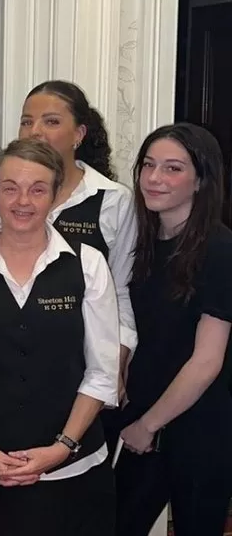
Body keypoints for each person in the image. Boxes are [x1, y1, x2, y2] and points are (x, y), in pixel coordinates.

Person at [0, 138, 118, 536]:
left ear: (54, 195)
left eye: (37, 189)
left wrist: (60, 448)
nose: (23, 201)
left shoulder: (88, 264)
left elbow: (102, 372)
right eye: (10, 188)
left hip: (71, 470)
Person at [0, 80, 138, 454]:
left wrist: (118, 360)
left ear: (79, 133)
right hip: (5, 363)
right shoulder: (0, 193)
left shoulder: (112, 200)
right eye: (26, 121)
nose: (35, 131)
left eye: (50, 121)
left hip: (80, 367)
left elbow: (121, 290)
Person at [114, 123, 232, 536]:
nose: (154, 178)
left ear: (200, 180)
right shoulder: (146, 241)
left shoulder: (219, 250)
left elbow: (206, 362)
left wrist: (148, 425)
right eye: (148, 165)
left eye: (173, 168)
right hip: (147, 418)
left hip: (199, 429)